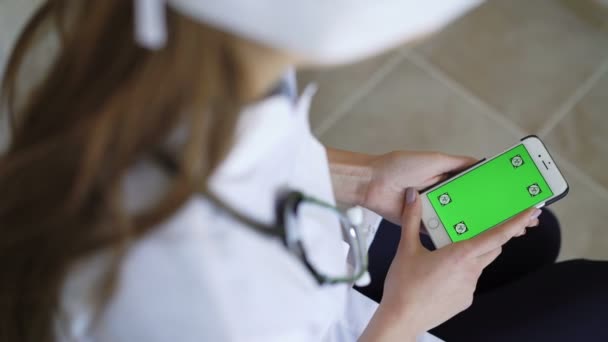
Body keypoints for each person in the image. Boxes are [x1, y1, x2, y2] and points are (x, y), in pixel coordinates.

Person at [0, 1, 606, 342]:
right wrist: (403, 319)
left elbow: (237, 154)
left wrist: (363, 178)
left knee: (536, 236)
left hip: (323, 263)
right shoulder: (199, 299)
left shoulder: (200, 52)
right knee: (593, 296)